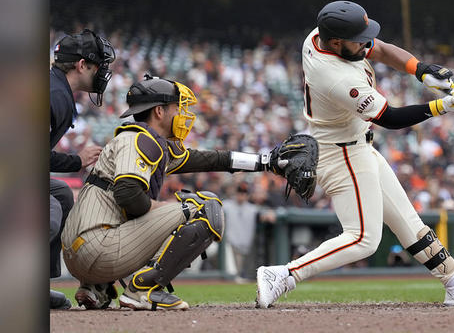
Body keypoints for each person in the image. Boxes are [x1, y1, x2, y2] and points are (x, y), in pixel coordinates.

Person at [256, 0, 454, 308]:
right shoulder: (335, 76)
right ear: (335, 41)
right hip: (341, 153)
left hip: (356, 144)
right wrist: (440, 106)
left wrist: (421, 70)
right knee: (362, 239)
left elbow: (383, 50)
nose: (365, 42)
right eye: (357, 38)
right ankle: (282, 275)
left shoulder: (325, 38)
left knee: (408, 220)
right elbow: (390, 118)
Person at [61, 75, 292, 310]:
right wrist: (163, 208)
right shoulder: (140, 140)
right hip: (97, 249)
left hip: (81, 252)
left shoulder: (140, 139)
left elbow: (210, 160)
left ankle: (96, 287)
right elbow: (129, 195)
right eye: (176, 108)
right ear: (159, 111)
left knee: (148, 209)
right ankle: (143, 290)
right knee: (205, 207)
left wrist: (265, 161)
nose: (181, 114)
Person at [49, 28, 115, 309]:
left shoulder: (56, 87)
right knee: (48, 212)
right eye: (97, 66)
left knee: (62, 194)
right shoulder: (54, 94)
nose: (100, 73)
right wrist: (76, 160)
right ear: (81, 65)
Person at [224, 182, 276, 282]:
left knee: (240, 276)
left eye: (244, 193)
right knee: (232, 275)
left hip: (246, 250)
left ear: (248, 195)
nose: (241, 195)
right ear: (236, 193)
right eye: (240, 192)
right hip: (230, 247)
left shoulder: (253, 208)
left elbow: (265, 213)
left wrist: (270, 214)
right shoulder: (226, 205)